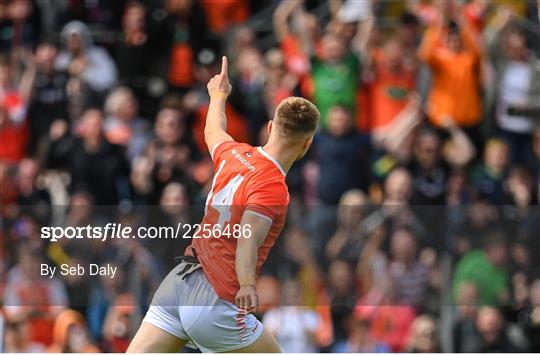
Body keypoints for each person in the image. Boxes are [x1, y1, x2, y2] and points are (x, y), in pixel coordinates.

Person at [127, 56, 320, 352]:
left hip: (180, 281)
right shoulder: (273, 186)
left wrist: (218, 95)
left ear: (270, 127)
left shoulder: (234, 153)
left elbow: (212, 130)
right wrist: (247, 286)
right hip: (217, 298)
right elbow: (247, 239)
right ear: (307, 144)